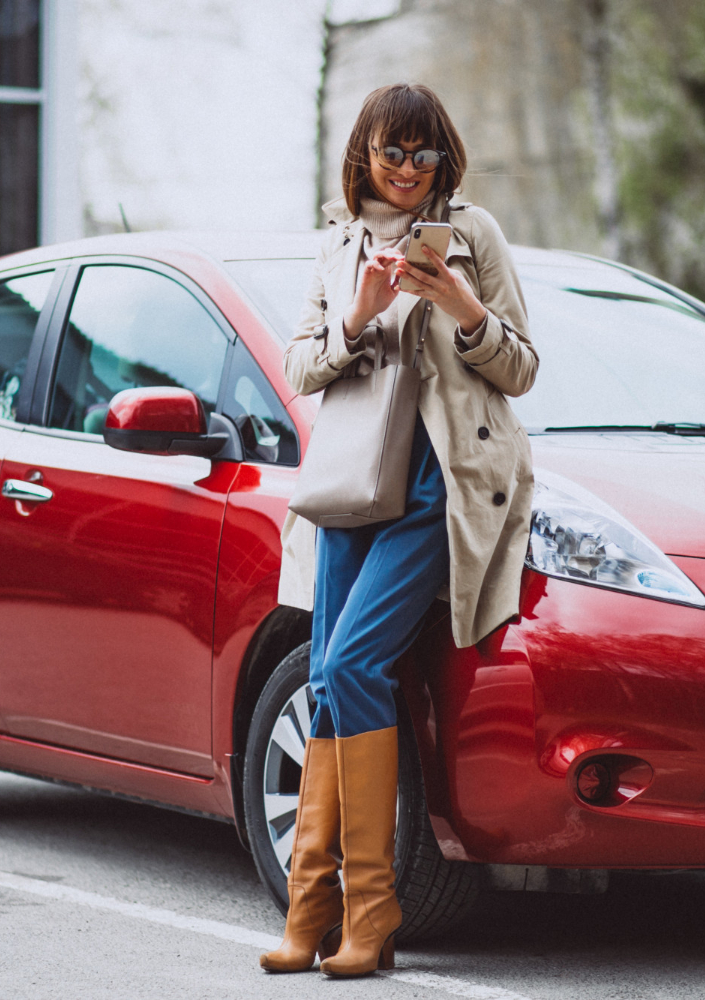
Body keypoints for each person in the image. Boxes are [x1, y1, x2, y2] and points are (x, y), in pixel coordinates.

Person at [262, 83, 538, 978]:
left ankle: (372, 910)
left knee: (348, 666)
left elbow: (522, 369)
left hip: (436, 486)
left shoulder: (476, 237)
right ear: (364, 156)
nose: (408, 171)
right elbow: (301, 366)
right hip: (351, 485)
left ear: (443, 157)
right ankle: (313, 909)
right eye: (391, 153)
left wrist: (462, 307)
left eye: (423, 154)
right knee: (331, 690)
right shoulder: (339, 248)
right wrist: (359, 316)